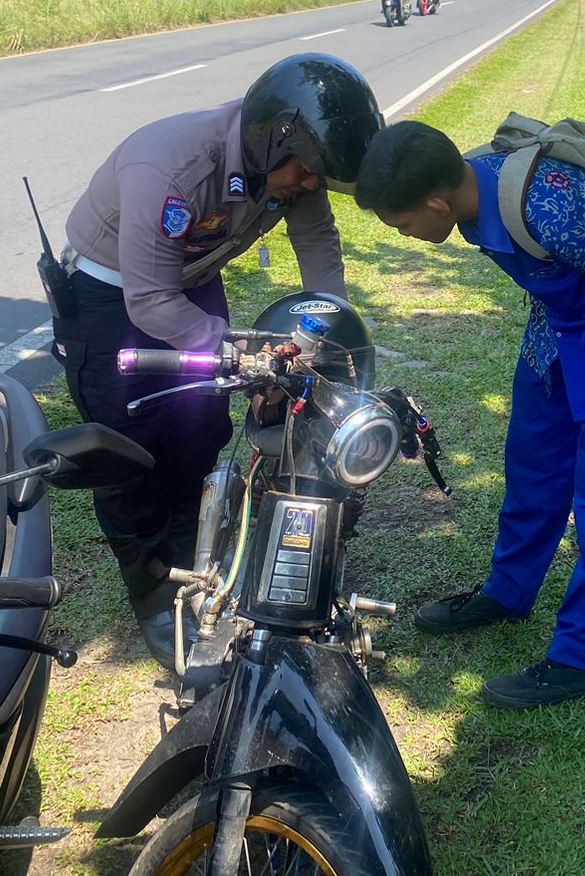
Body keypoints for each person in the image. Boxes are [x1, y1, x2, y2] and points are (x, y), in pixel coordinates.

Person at [55, 55, 383, 670]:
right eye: (308, 176)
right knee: (132, 453)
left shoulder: (291, 164)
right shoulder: (173, 170)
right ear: (271, 140)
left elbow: (317, 245)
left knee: (200, 425)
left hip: (192, 275)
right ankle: (156, 596)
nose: (310, 187)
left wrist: (328, 328)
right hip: (109, 294)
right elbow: (149, 299)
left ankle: (197, 555)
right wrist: (237, 347)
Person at [354, 121, 585, 708]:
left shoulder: (550, 210)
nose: (407, 234)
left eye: (403, 225)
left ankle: (578, 657)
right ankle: (508, 592)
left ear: (436, 202)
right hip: (552, 335)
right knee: (531, 472)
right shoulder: (470, 184)